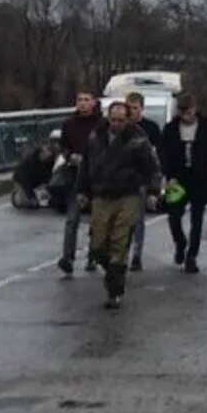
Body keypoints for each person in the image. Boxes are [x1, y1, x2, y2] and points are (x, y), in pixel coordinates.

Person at [74, 100, 162, 309]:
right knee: (98, 244)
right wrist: (82, 190)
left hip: (127, 195)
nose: (117, 124)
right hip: (101, 194)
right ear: (108, 118)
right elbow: (86, 166)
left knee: (119, 241)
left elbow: (151, 167)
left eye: (121, 120)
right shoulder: (96, 138)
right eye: (113, 120)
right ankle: (111, 271)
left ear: (127, 119)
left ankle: (115, 289)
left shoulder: (138, 139)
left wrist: (152, 191)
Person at [158, 92, 207, 274]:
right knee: (173, 215)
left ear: (195, 109)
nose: (186, 116)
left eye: (189, 112)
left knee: (197, 219)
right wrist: (167, 175)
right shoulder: (170, 129)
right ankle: (180, 243)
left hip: (201, 178)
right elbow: (163, 153)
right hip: (177, 178)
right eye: (182, 112)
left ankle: (192, 256)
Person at [57, 91, 108, 274]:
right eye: (79, 100)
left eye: (87, 100)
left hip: (95, 176)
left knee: (96, 220)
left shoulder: (102, 124)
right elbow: (63, 146)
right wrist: (70, 155)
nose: (83, 103)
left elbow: (107, 147)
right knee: (72, 218)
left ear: (94, 102)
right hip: (75, 175)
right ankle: (67, 257)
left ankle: (93, 256)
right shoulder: (69, 123)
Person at [123, 92, 164, 271]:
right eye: (129, 108)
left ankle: (137, 255)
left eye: (135, 108)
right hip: (122, 178)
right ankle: (120, 253)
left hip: (140, 178)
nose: (132, 112)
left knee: (138, 218)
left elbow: (157, 157)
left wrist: (155, 185)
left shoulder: (150, 128)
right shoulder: (120, 127)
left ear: (141, 108)